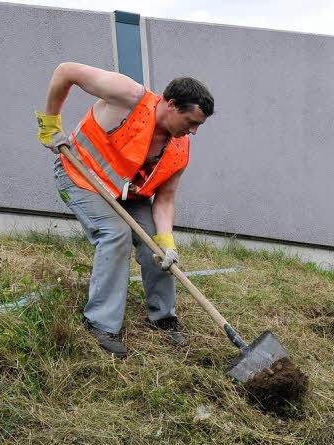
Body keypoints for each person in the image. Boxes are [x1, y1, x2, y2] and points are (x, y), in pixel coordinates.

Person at [35, 62, 213, 358]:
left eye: (198, 125)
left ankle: (163, 318)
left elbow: (165, 200)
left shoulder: (180, 148)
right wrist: (49, 123)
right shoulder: (128, 96)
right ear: (170, 105)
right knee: (115, 234)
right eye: (190, 121)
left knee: (155, 246)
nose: (193, 131)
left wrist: (166, 242)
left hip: (128, 194)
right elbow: (66, 71)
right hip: (80, 177)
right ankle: (100, 324)